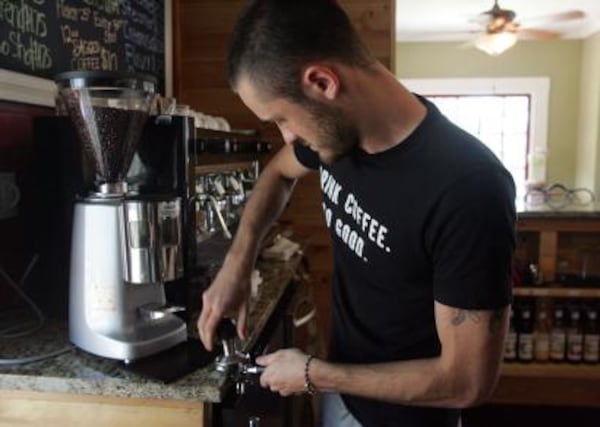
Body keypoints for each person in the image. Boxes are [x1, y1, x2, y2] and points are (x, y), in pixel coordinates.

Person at [197, 1, 516, 426]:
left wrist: (315, 374)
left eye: (280, 119)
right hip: (341, 394)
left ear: (322, 82)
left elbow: (468, 381)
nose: (287, 136)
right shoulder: (337, 133)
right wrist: (236, 264)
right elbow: (278, 173)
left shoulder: (469, 187)